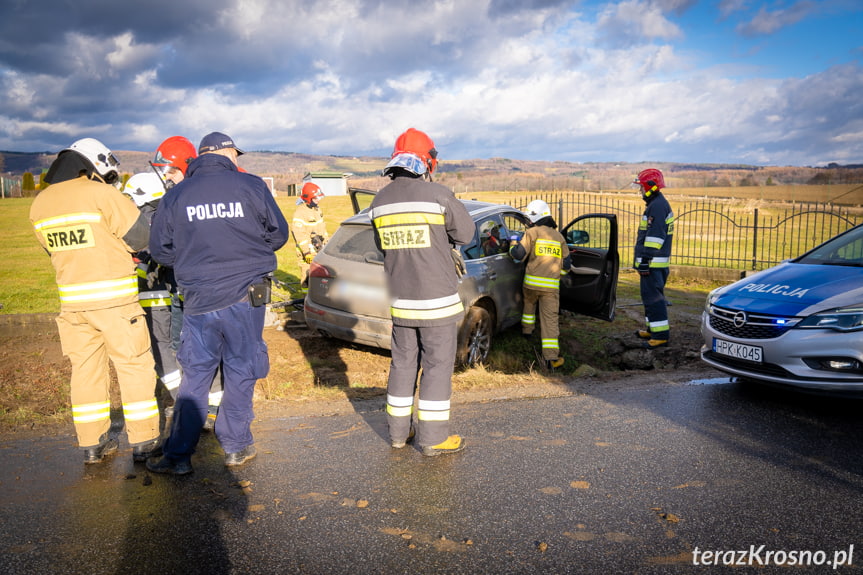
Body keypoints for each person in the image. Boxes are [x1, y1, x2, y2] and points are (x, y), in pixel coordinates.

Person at [145, 132, 288, 475]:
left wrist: (192, 258)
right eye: (235, 154)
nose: (237, 159)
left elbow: (160, 250)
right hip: (246, 298)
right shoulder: (251, 186)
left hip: (199, 301)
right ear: (225, 154)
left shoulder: (178, 194)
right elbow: (278, 234)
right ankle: (236, 448)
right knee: (241, 370)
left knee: (196, 375)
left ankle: (178, 457)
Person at [29, 138, 161, 464]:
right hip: (115, 303)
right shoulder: (102, 194)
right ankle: (144, 442)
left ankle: (93, 444)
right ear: (94, 165)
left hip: (72, 307)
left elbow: (53, 250)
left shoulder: (40, 204)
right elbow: (142, 238)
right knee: (134, 367)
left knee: (85, 372)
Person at [368, 128, 474, 456]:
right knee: (438, 365)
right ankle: (432, 438)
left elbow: (381, 247)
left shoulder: (379, 201)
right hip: (437, 302)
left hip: (401, 301)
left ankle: (399, 434)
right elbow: (467, 233)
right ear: (426, 162)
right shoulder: (439, 195)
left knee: (402, 364)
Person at [150, 136, 224, 431]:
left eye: (170, 171)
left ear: (186, 166)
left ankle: (208, 410)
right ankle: (199, 408)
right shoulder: (181, 196)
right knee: (189, 349)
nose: (166, 178)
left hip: (200, 291)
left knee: (205, 349)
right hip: (186, 289)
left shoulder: (189, 197)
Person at [122, 173, 182, 405]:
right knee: (177, 343)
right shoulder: (172, 213)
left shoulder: (139, 221)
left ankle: (179, 397)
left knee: (160, 347)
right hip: (174, 294)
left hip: (149, 296)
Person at [509, 199, 571, 370]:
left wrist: (513, 243)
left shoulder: (532, 233)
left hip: (530, 284)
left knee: (529, 305)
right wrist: (556, 275)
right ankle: (551, 359)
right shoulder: (559, 237)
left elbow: (518, 255)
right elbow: (566, 266)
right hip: (550, 289)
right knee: (549, 320)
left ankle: (527, 332)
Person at [632, 168, 675, 349]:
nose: (640, 190)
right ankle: (652, 330)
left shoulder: (657, 206)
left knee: (654, 299)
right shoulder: (656, 204)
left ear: (650, 187)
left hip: (653, 263)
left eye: (641, 187)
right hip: (654, 263)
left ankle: (660, 336)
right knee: (649, 298)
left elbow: (655, 237)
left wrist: (645, 260)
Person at [292, 182, 328, 291]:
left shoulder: (317, 210)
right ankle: (306, 300)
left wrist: (327, 244)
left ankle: (318, 295)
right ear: (308, 198)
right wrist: (306, 252)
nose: (318, 200)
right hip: (307, 252)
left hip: (319, 248)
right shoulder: (300, 213)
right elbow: (299, 234)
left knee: (320, 275)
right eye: (316, 198)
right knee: (307, 277)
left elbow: (323, 229)